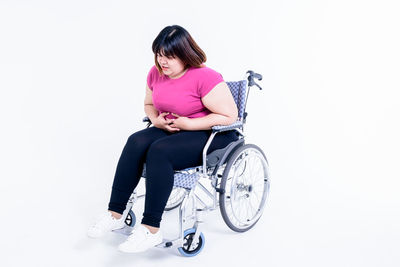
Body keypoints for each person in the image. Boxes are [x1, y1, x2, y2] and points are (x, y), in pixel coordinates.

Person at [87, 25, 239, 253]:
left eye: (169, 56)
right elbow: (149, 104)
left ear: (185, 55)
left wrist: (190, 123)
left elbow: (230, 116)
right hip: (171, 127)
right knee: (136, 141)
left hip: (210, 133)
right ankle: (115, 213)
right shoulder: (155, 73)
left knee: (159, 151)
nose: (162, 61)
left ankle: (151, 230)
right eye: (159, 54)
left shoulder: (205, 77)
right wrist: (155, 120)